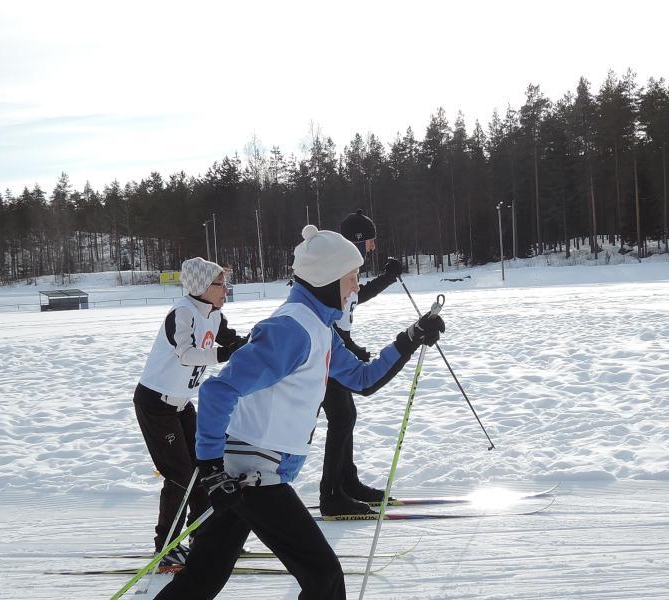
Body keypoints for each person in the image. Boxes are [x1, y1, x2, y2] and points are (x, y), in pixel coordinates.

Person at [156, 225, 445, 600]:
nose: (357, 287)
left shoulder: (319, 326)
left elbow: (362, 379)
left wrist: (409, 338)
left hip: (245, 472)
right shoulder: (291, 330)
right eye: (352, 278)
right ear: (326, 278)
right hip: (251, 477)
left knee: (201, 579)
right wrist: (211, 470)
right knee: (323, 577)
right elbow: (217, 390)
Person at [134, 257, 246, 566]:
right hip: (155, 405)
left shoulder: (213, 314)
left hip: (182, 405)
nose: (227, 290)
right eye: (221, 284)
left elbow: (234, 341)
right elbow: (186, 354)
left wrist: (255, 346)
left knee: (205, 466)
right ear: (202, 287)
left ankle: (203, 533)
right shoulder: (182, 313)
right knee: (180, 476)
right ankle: (166, 547)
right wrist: (225, 353)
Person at [318, 210, 408, 516]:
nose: (372, 247)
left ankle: (346, 484)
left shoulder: (346, 267)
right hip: (324, 357)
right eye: (370, 240)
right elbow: (325, 319)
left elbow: (356, 296)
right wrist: (350, 347)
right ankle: (332, 494)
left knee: (345, 417)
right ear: (358, 240)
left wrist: (386, 278)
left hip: (334, 353)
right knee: (342, 418)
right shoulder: (335, 269)